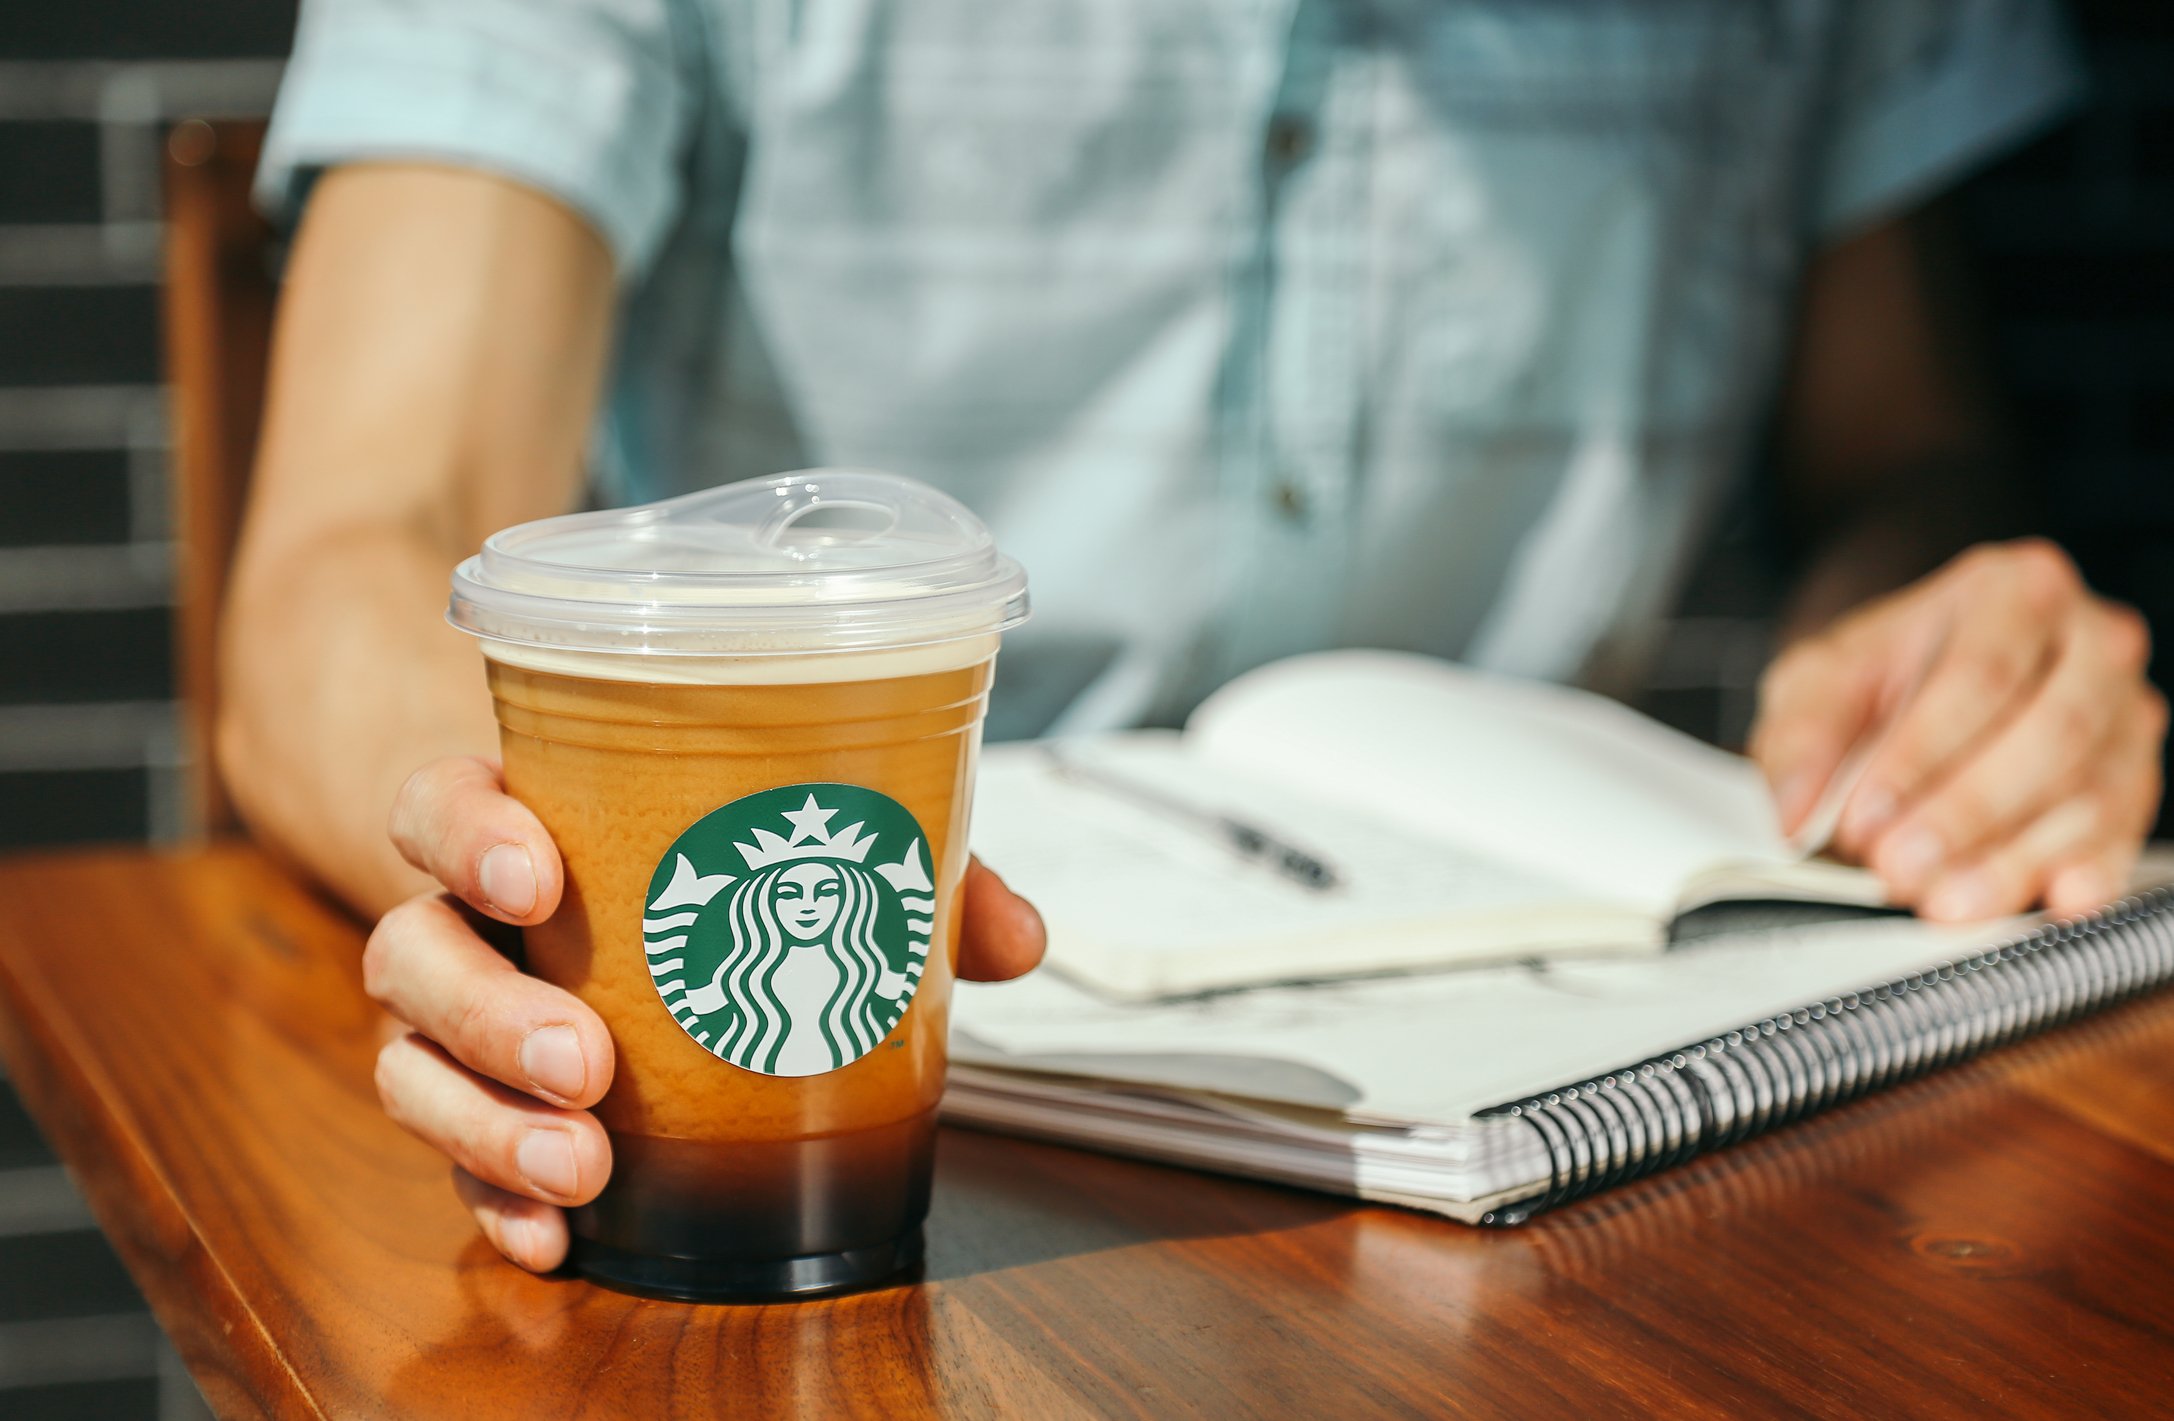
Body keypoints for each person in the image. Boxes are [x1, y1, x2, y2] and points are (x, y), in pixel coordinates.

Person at [222, 0, 2166, 1273]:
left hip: (1568, 1137)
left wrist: (1941, 640)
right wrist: (528, 874)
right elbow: (355, 554)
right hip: (906, 1109)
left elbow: (1903, 456)